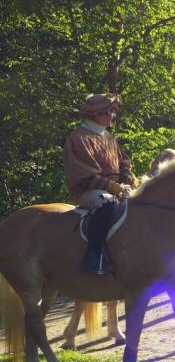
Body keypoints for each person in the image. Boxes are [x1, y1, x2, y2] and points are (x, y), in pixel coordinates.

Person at [63, 93, 137, 274]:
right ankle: (94, 256)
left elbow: (122, 162)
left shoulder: (108, 137)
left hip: (114, 189)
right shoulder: (78, 138)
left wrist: (126, 175)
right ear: (97, 114)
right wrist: (111, 186)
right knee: (108, 203)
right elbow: (83, 174)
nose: (113, 115)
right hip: (88, 191)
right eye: (110, 112)